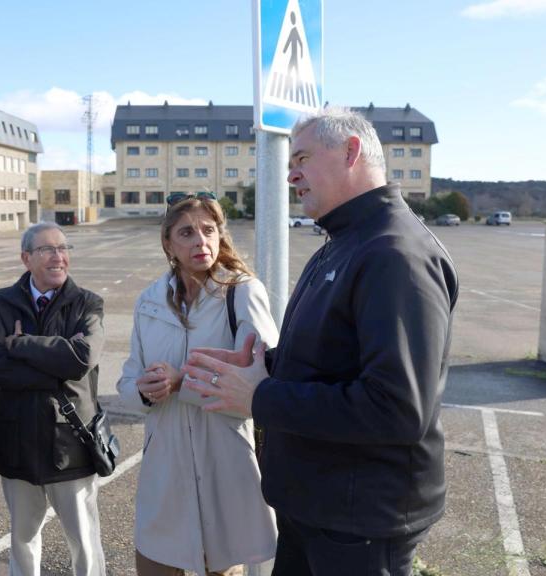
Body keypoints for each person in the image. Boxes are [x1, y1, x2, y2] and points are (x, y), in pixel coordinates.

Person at [184, 107, 459, 576]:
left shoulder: (394, 254)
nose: (291, 174)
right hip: (316, 508)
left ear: (352, 151)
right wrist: (267, 367)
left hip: (359, 524)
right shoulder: (344, 240)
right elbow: (331, 360)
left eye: (303, 158)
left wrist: (260, 396)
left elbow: (396, 408)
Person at [117, 192, 279, 576]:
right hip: (165, 468)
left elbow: (265, 381)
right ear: (168, 243)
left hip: (222, 462)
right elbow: (127, 380)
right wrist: (145, 389)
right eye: (187, 233)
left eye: (208, 230)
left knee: (221, 567)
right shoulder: (150, 301)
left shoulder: (241, 292)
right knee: (154, 564)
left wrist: (181, 383)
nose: (200, 241)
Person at [0, 221, 106, 576]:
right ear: (26, 258)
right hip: (15, 440)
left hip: (70, 443)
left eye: (63, 248)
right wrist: (54, 368)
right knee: (22, 537)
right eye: (47, 249)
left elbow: (81, 359)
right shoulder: (2, 302)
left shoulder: (87, 303)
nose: (58, 257)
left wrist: (20, 344)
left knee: (83, 540)